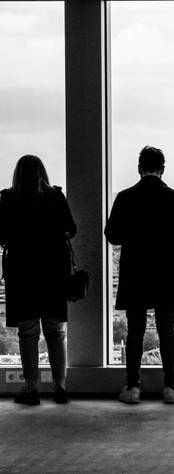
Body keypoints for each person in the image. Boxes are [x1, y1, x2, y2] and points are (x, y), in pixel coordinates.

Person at [105, 146, 174, 404]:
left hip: (135, 272)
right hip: (165, 272)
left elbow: (112, 235)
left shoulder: (124, 197)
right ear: (163, 169)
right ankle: (171, 387)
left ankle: (132, 388)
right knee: (167, 330)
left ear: (139, 168)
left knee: (135, 330)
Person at [0, 155, 76, 405]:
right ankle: (59, 387)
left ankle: (31, 388)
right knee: (55, 332)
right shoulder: (55, 196)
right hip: (53, 272)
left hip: (22, 273)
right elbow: (71, 229)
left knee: (28, 333)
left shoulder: (8, 199)